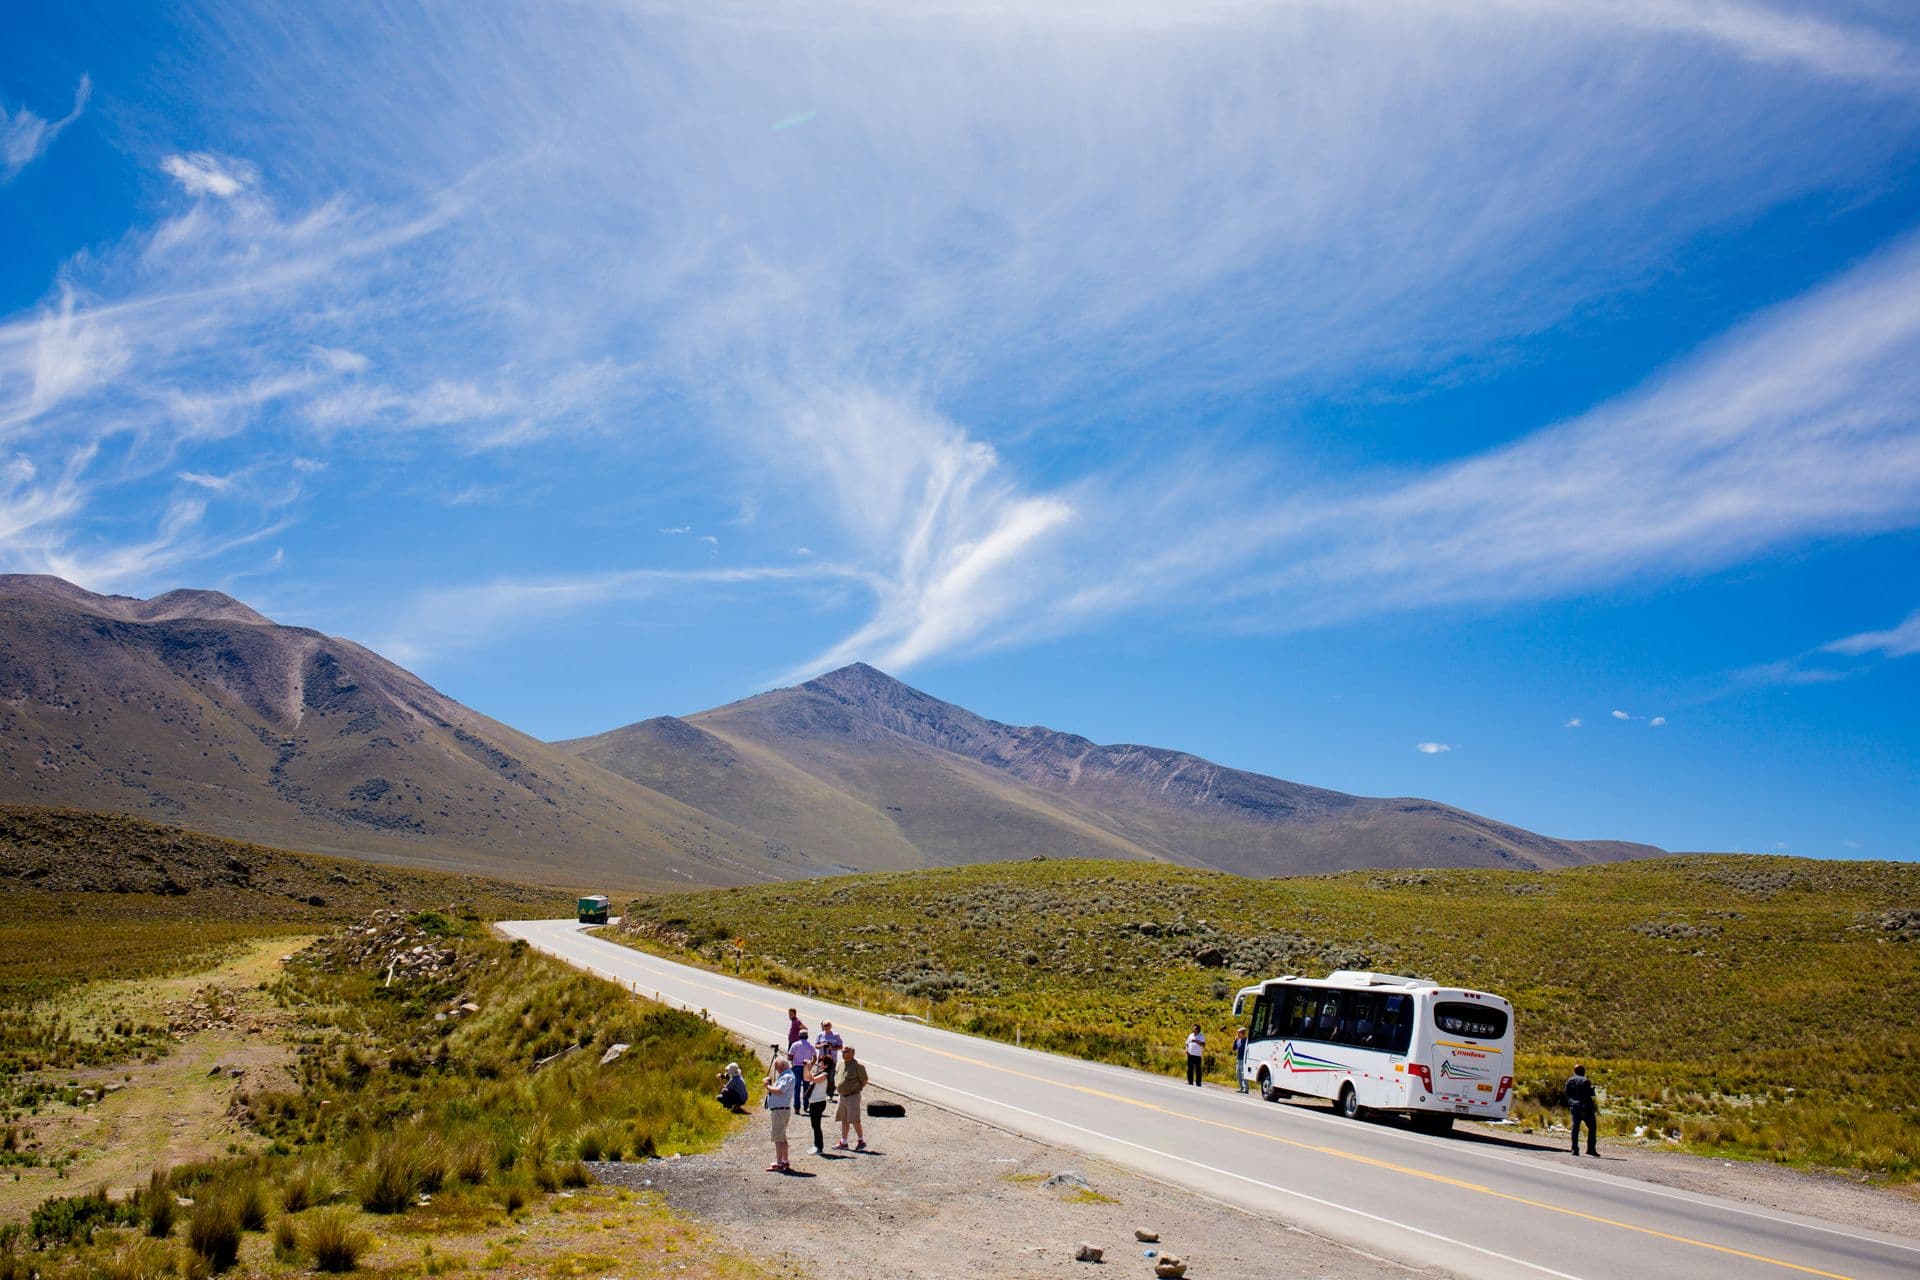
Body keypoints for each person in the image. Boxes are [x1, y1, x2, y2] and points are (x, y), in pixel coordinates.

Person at [833, 1043, 869, 1151]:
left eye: (846, 1051)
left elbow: (864, 1080)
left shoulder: (858, 1066)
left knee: (855, 1119)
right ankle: (844, 1142)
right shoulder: (840, 1064)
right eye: (843, 1051)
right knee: (844, 1119)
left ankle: (861, 1141)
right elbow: (837, 1076)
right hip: (842, 1096)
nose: (843, 1053)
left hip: (853, 1096)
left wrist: (857, 1088)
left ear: (852, 1053)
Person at [763, 1054, 796, 1172]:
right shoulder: (786, 1075)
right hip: (781, 1110)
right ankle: (784, 1160)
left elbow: (779, 1091)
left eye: (777, 1068)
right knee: (782, 1136)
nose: (776, 1070)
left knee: (778, 1137)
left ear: (782, 1066)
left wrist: (767, 1086)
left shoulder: (787, 1076)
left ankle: (779, 1163)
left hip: (780, 1110)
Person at [1564, 1063, 1599, 1157]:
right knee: (1592, 1127)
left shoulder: (1570, 1080)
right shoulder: (1585, 1081)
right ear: (1583, 1071)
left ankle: (1574, 1149)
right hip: (1584, 1106)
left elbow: (1566, 1092)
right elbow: (1588, 1095)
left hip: (1574, 1106)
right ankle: (1590, 1149)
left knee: (1575, 1128)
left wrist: (1571, 1102)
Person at [803, 1050, 832, 1155]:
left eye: (821, 1063)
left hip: (819, 1102)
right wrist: (806, 1067)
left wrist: (808, 1067)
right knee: (814, 1125)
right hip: (814, 1102)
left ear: (826, 1066)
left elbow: (813, 1079)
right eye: (819, 1062)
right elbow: (806, 1078)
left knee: (816, 1125)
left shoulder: (824, 1074)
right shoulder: (819, 1073)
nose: (819, 1064)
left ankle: (819, 1147)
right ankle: (816, 1145)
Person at [815, 1020, 843, 1098]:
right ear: (823, 1026)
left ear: (831, 1026)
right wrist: (822, 1045)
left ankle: (830, 1093)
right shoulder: (820, 1035)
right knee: (820, 1075)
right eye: (825, 1025)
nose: (826, 1027)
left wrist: (832, 1048)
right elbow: (816, 1045)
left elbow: (840, 1046)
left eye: (828, 1025)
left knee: (831, 1076)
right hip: (822, 1059)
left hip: (832, 1059)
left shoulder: (836, 1035)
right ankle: (820, 1091)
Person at [1232, 1026, 1248, 1093]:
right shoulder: (1238, 1040)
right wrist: (1235, 1040)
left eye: (1239, 1033)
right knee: (1238, 1075)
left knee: (1243, 1074)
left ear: (1242, 1033)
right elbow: (1234, 1048)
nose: (1237, 1035)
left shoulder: (1247, 1040)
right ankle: (1241, 1088)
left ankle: (1245, 1089)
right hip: (1238, 1059)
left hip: (1244, 1060)